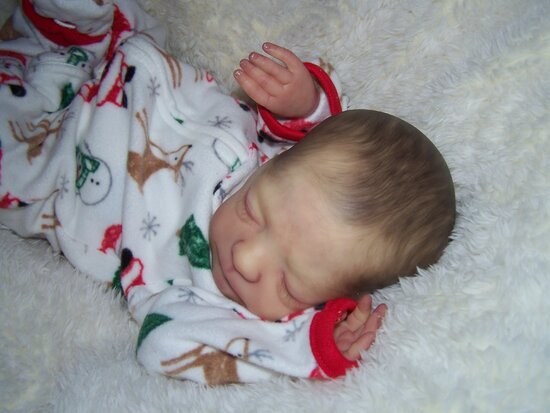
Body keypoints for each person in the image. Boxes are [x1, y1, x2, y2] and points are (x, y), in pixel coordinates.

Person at [0, 0, 455, 385]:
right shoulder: (293, 170)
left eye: (288, 283)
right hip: (120, 61)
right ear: (271, 165)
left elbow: (162, 344)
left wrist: (304, 349)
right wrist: (302, 104)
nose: (246, 258)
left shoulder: (223, 311)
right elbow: (319, 139)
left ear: (328, 300)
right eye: (254, 211)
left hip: (49, 154)